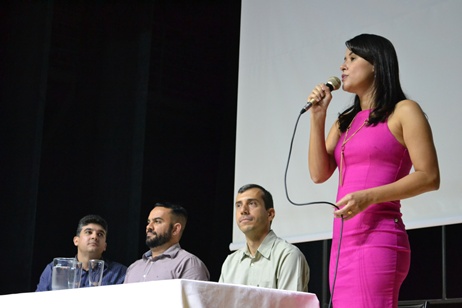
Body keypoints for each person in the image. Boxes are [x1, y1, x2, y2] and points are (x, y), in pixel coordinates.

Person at [306, 33, 440, 307]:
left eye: (352, 58)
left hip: (379, 237)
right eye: (343, 60)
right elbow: (319, 174)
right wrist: (318, 117)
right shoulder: (344, 122)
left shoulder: (404, 111)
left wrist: (368, 197)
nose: (343, 66)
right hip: (344, 242)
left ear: (377, 64)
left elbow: (429, 176)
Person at [219, 184, 310, 292]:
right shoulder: (230, 262)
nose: (243, 210)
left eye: (252, 203)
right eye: (238, 205)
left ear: (270, 214)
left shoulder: (287, 255)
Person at [123, 202, 210, 283]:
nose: (149, 227)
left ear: (175, 229)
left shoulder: (188, 264)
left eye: (157, 221)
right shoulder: (134, 267)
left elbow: (194, 299)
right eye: (149, 222)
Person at [36, 214, 127, 291]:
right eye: (89, 232)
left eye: (100, 234)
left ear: (105, 246)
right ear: (76, 241)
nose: (94, 237)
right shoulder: (56, 269)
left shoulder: (120, 273)